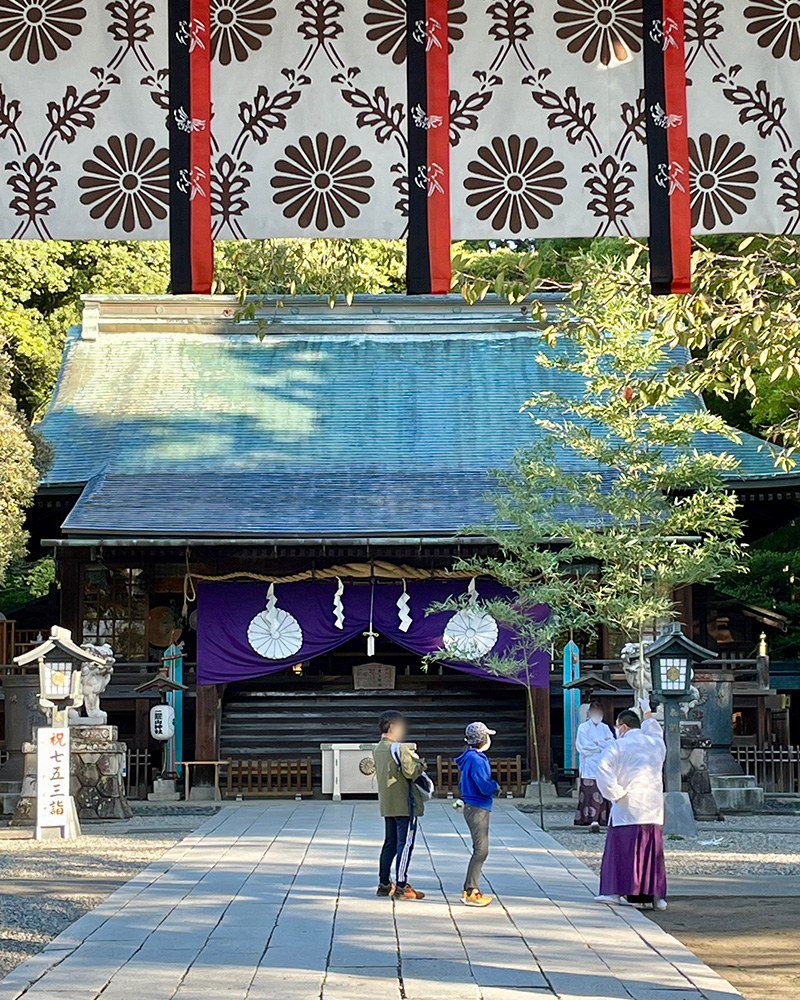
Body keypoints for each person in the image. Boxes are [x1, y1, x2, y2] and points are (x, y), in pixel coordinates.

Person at [594, 699, 668, 910]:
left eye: (618, 726)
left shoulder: (618, 745)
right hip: (652, 807)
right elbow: (655, 730)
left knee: (622, 851)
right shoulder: (655, 743)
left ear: (623, 726)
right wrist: (646, 710)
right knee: (652, 853)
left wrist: (615, 792)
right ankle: (658, 897)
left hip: (627, 804)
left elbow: (603, 768)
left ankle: (614, 892)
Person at [373, 709, 426, 900]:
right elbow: (412, 772)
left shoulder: (378, 748)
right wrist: (418, 761)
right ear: (393, 726)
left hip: (388, 803)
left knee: (390, 843)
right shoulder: (400, 748)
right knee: (405, 844)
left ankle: (384, 883)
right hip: (405, 803)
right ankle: (402, 885)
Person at [455, 721, 500, 907]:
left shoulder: (469, 757)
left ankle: (470, 888)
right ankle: (471, 890)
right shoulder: (476, 760)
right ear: (482, 739)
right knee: (481, 850)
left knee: (480, 849)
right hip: (478, 805)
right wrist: (495, 786)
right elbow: (482, 785)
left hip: (471, 804)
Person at [574, 700, 614, 831]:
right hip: (589, 764)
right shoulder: (583, 728)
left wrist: (598, 743)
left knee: (602, 793)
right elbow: (583, 747)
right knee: (590, 793)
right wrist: (601, 745)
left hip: (603, 764)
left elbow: (612, 743)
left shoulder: (605, 727)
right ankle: (589, 819)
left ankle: (603, 818)